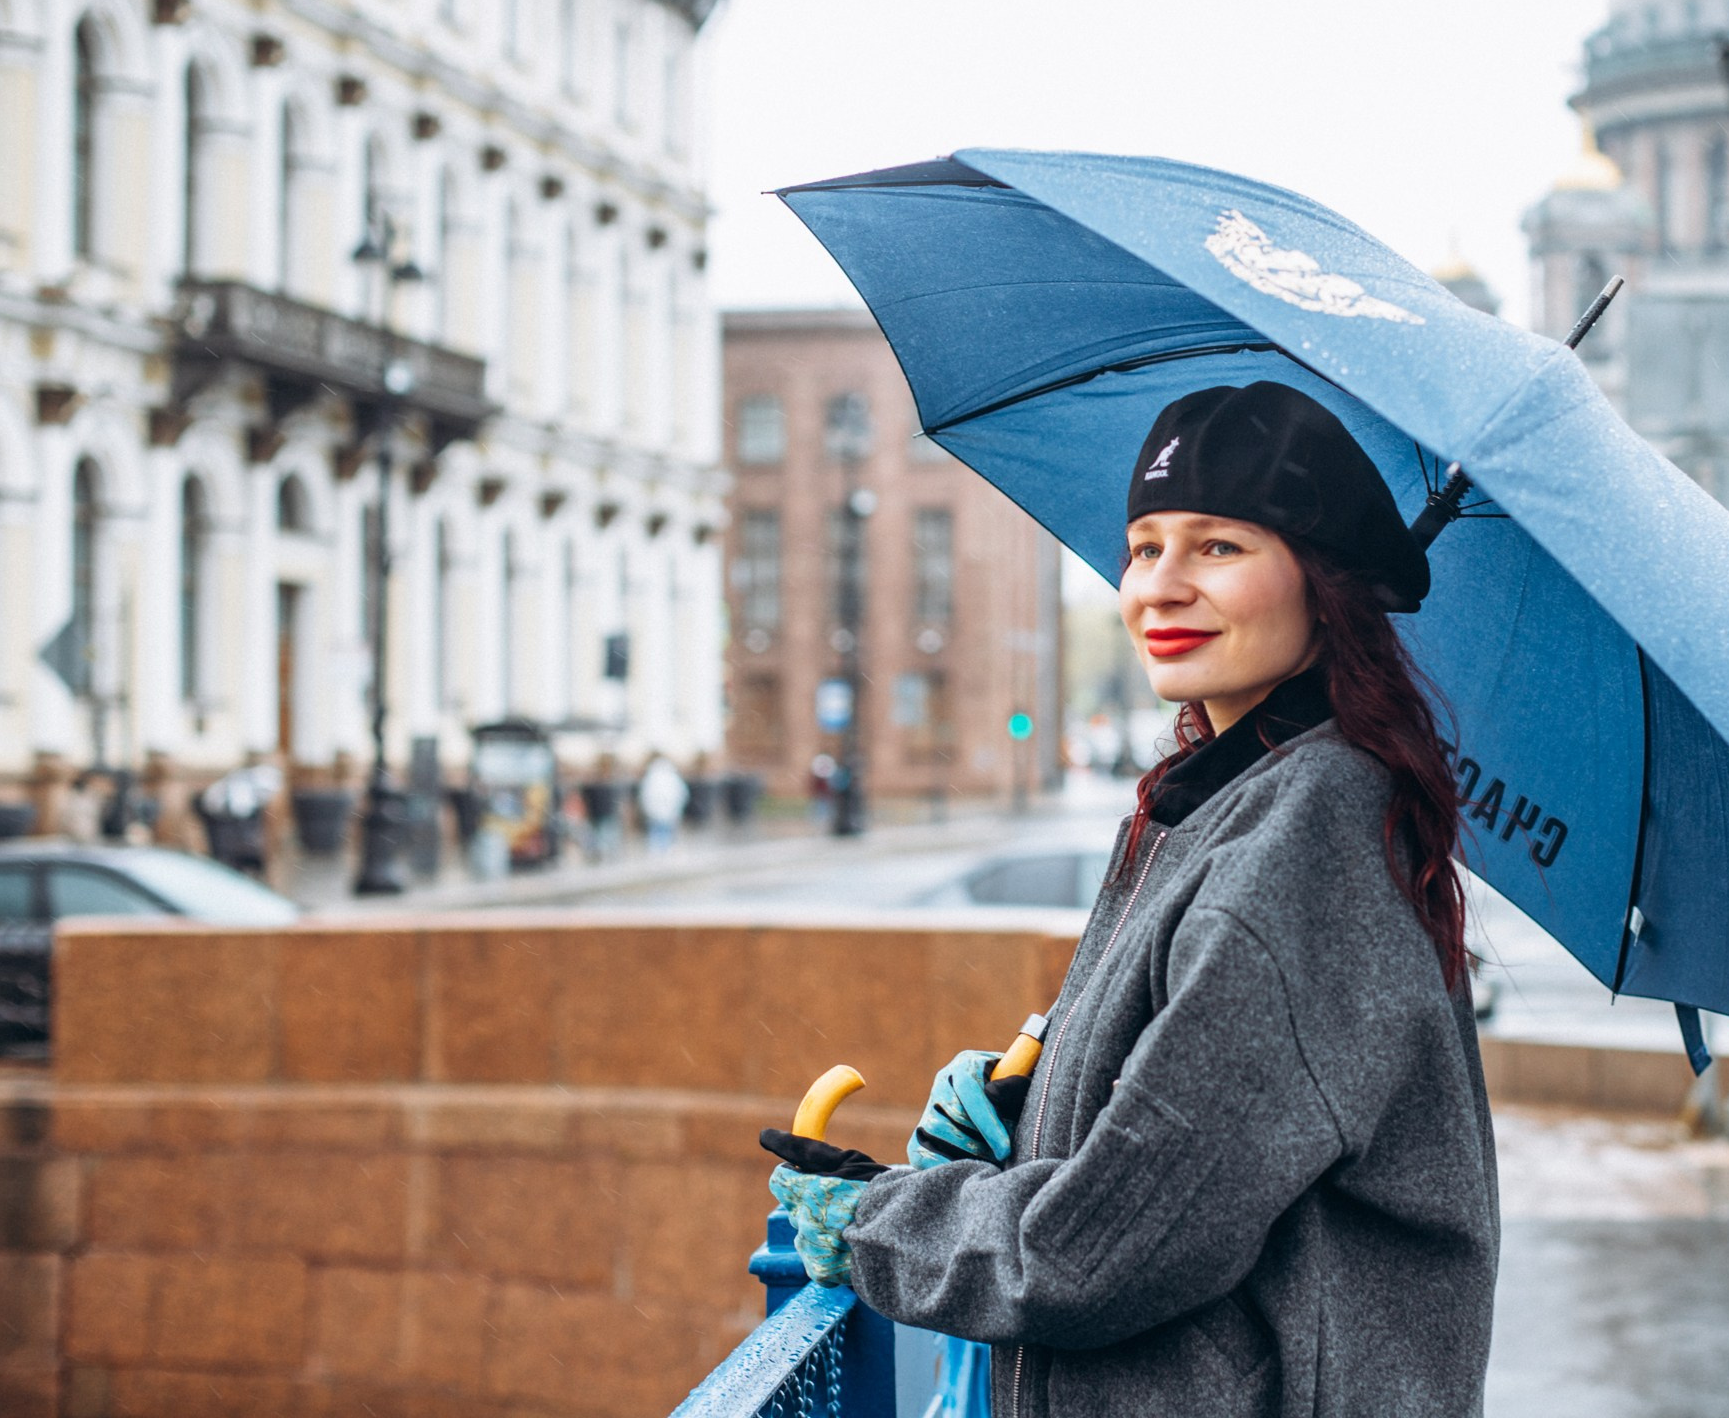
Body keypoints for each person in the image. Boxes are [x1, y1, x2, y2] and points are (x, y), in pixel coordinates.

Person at [765, 382, 1498, 1416]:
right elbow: (1213, 1140)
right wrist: (1029, 1114)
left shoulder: (1306, 845)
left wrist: (883, 1220)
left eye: (1219, 547)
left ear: (1321, 583)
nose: (1160, 586)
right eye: (1145, 545)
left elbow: (1108, 1246)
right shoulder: (1229, 799)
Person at [637, 754, 687, 853]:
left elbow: (645, 796)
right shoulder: (672, 776)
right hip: (669, 812)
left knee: (656, 838)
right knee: (667, 836)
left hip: (655, 813)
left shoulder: (650, 777)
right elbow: (681, 793)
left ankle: (656, 856)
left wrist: (648, 809)